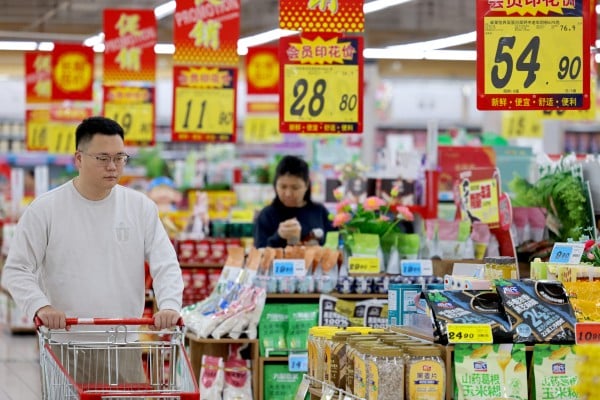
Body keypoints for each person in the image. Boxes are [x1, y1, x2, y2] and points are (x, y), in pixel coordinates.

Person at [1, 117, 183, 337]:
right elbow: (16, 270)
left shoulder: (140, 207)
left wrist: (170, 305)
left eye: (119, 158)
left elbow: (166, 263)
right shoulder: (45, 209)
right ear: (79, 159)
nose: (112, 166)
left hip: (123, 342)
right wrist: (41, 306)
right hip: (64, 343)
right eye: (103, 158)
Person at [254, 155, 334, 248]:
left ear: (307, 185)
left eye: (295, 188)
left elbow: (333, 245)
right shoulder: (266, 215)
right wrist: (279, 236)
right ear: (275, 185)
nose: (288, 194)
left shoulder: (319, 212)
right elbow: (259, 253)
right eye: (283, 187)